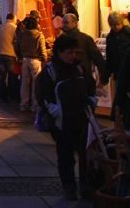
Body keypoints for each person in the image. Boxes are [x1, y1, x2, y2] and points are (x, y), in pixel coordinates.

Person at [37, 34, 97, 201]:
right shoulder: (51, 71)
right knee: (65, 156)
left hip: (82, 119)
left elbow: (91, 87)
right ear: (59, 52)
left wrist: (92, 101)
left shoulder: (80, 68)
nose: (73, 56)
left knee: (85, 155)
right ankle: (69, 187)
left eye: (75, 53)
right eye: (69, 53)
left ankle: (85, 185)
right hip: (62, 122)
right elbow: (43, 95)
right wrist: (56, 111)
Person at [59, 13, 108, 84]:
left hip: (83, 78)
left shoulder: (85, 39)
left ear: (75, 23)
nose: (63, 25)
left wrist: (104, 76)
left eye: (66, 23)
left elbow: (97, 58)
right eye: (63, 23)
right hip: (69, 79)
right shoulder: (61, 39)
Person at [14, 16, 47, 112]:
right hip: (36, 60)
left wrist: (19, 56)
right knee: (36, 83)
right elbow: (42, 49)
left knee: (24, 83)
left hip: (25, 59)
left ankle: (24, 104)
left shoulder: (22, 35)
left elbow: (16, 47)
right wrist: (44, 58)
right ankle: (35, 105)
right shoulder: (39, 35)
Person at [103, 12, 130, 85]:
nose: (116, 27)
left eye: (118, 24)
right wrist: (107, 74)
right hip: (118, 70)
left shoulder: (129, 33)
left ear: (122, 23)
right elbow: (109, 56)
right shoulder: (110, 38)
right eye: (113, 25)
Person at [0, 13, 18, 100]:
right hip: (11, 55)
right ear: (13, 19)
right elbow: (17, 42)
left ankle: (2, 95)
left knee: (2, 76)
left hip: (1, 54)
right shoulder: (15, 28)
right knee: (11, 76)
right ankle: (11, 95)